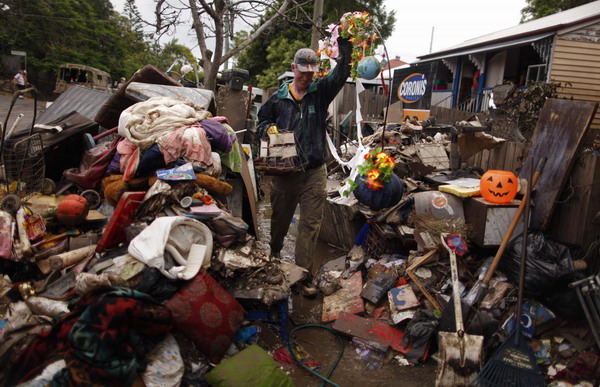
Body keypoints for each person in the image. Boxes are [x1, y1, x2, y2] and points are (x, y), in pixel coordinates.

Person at [256, 38, 352, 297]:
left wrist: (345, 46)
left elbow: (341, 73)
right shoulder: (278, 98)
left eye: (311, 72)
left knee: (311, 223)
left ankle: (303, 275)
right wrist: (268, 128)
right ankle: (275, 251)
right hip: (286, 172)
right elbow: (261, 119)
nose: (306, 76)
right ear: (293, 68)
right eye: (302, 70)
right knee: (280, 218)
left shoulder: (320, 93)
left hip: (314, 169)